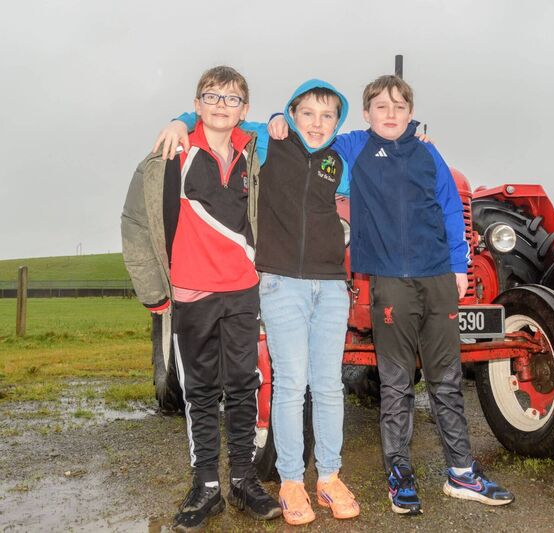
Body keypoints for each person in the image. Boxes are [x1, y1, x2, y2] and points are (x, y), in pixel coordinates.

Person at [268, 75, 515, 515]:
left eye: (400, 107)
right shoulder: (353, 146)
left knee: (446, 379)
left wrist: (459, 266)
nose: (391, 114)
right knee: (397, 383)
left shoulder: (427, 149)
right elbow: (311, 136)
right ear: (366, 113)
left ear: (410, 112)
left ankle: (461, 472)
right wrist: (275, 119)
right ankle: (399, 475)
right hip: (388, 281)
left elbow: (447, 205)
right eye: (381, 107)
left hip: (437, 276)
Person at [153, 79, 360, 526]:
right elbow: (221, 118)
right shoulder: (267, 141)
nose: (317, 123)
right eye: (306, 113)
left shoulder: (340, 161)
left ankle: (329, 475)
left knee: (327, 386)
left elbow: (378, 148)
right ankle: (288, 480)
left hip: (330, 285)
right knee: (288, 384)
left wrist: (415, 131)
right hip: (280, 282)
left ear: (338, 122)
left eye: (328, 116)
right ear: (291, 112)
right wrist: (180, 119)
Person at [121, 66, 281, 531]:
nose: (220, 105)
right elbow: (134, 224)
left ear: (244, 111)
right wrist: (154, 294)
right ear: (196, 103)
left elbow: (315, 146)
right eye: (211, 96)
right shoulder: (169, 154)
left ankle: (245, 480)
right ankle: (206, 485)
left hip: (243, 290)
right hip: (191, 292)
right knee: (201, 390)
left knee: (244, 383)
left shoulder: (255, 156)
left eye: (232, 99)